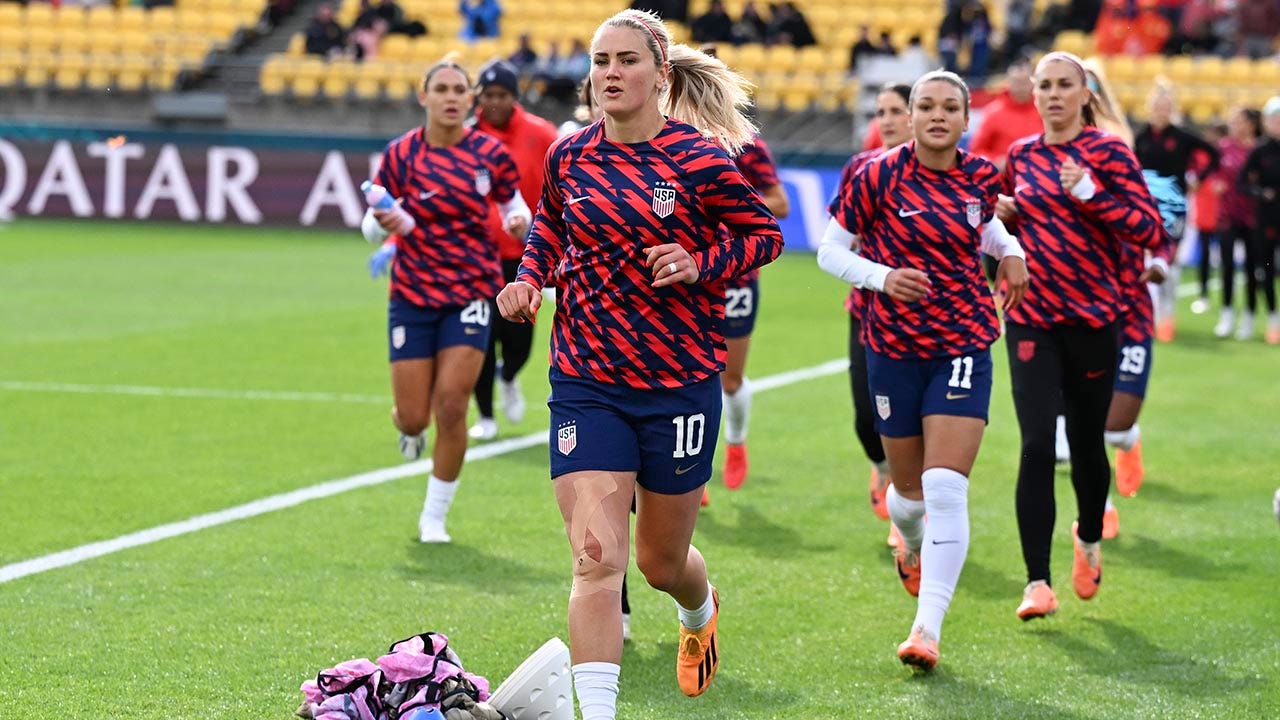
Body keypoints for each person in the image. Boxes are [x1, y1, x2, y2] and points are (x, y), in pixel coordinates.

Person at [495, 10, 783, 718]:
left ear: (660, 74)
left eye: (626, 60)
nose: (610, 73)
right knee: (597, 559)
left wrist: (700, 261)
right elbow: (551, 226)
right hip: (587, 381)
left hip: (679, 383)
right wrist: (530, 279)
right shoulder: (571, 155)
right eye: (600, 61)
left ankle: (698, 609)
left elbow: (765, 236)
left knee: (658, 565)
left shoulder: (701, 159)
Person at [820, 70, 1029, 671]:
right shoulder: (875, 175)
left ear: (967, 120)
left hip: (963, 341)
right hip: (892, 346)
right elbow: (833, 250)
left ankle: (926, 629)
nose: (938, 116)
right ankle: (909, 544)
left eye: (950, 108)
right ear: (909, 116)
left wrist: (1010, 253)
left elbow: (985, 226)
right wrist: (883, 278)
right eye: (926, 106)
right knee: (906, 496)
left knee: (944, 487)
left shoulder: (981, 177)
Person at [996, 51, 1164, 621]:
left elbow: (1149, 228)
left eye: (1065, 85)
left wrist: (1092, 193)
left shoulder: (1109, 150)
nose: (1052, 94)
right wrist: (1006, 215)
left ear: (1085, 93)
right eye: (1044, 85)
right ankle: (1037, 582)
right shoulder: (1020, 156)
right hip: (1031, 317)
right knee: (1037, 443)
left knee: (1089, 444)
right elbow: (1007, 223)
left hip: (1095, 319)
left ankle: (1088, 539)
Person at [362, 58, 530, 544]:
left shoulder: (489, 153)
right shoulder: (400, 156)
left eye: (461, 89)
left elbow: (511, 202)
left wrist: (517, 221)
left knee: (452, 405)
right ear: (425, 96)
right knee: (414, 415)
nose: (453, 97)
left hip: (470, 292)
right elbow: (370, 223)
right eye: (443, 89)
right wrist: (382, 226)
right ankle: (409, 429)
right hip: (412, 295)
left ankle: (434, 516)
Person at [698, 43, 791, 498]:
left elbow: (779, 203)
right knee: (688, 374)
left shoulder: (745, 142)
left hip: (734, 277)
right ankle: (694, 469)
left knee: (728, 378)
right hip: (686, 276)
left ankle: (735, 444)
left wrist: (730, 210)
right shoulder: (664, 138)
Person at [1082, 60, 1171, 525]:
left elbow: (1159, 233)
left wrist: (1157, 262)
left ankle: (1129, 443)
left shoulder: (1131, 183)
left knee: (1115, 428)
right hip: (1084, 311)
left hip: (1131, 311)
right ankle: (1101, 509)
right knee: (1088, 419)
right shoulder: (1057, 178)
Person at [827, 82, 912, 530]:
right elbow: (838, 236)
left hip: (921, 319)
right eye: (881, 111)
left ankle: (907, 522)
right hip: (866, 309)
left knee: (910, 425)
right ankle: (880, 467)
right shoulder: (859, 167)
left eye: (897, 110)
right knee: (866, 419)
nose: (888, 120)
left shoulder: (935, 171)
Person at [461, 60, 560, 441]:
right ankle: (485, 415)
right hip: (477, 259)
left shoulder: (540, 133)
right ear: (478, 99)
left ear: (514, 97)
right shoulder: (466, 139)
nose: (494, 103)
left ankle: (510, 374)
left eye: (502, 95)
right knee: (480, 338)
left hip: (526, 256)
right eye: (488, 96)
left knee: (518, 342)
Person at [1133, 80, 1219, 342]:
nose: (1161, 111)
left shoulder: (1181, 138)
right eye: (1157, 106)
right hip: (1147, 207)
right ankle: (1150, 314)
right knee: (1145, 261)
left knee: (1169, 261)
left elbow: (1213, 154)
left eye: (1166, 107)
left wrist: (1199, 179)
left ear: (1172, 110)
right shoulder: (1142, 137)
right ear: (1150, 109)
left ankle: (1167, 316)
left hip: (1174, 210)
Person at [1210, 107, 1262, 339]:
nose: (1234, 125)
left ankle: (1249, 317)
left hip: (1253, 217)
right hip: (1227, 215)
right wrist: (1215, 183)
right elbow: (1213, 172)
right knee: (1227, 267)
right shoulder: (1224, 147)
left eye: (1239, 121)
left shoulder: (1258, 150)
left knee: (1252, 268)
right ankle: (1227, 314)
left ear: (1250, 124)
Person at [1241, 97, 1280, 344]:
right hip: (1265, 219)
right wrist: (1260, 193)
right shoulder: (1259, 150)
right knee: (1263, 270)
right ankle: (1270, 319)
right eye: (1274, 119)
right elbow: (1242, 182)